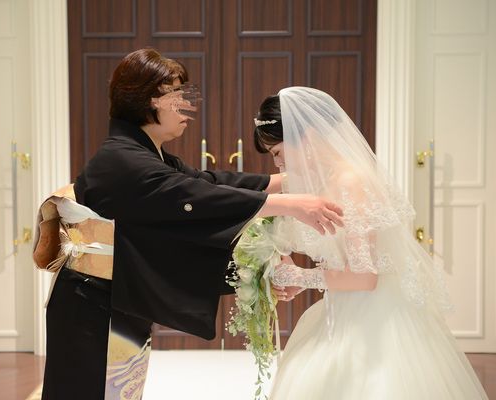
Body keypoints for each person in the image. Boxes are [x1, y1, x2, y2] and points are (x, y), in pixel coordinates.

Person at [37, 50, 344, 400]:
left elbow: (206, 181)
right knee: (88, 391)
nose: (185, 104)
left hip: (113, 292)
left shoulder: (143, 153)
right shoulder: (122, 158)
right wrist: (289, 203)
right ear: (147, 100)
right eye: (176, 95)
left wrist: (281, 183)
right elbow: (194, 196)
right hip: (90, 300)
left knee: (119, 391)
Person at [252, 87, 489, 399]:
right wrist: (283, 262)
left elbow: (364, 278)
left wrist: (301, 276)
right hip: (340, 309)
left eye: (278, 152)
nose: (278, 163)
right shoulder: (318, 181)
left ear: (305, 137)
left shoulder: (352, 181)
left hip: (375, 318)